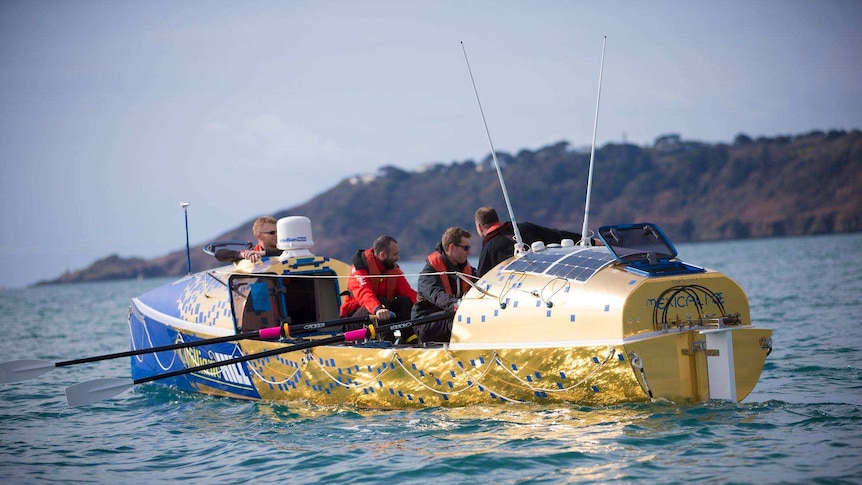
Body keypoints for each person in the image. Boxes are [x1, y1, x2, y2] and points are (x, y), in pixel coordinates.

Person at [339, 235, 418, 343]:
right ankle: (387, 343)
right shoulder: (360, 268)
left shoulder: (392, 269)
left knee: (404, 302)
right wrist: (377, 309)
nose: (398, 258)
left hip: (383, 314)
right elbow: (365, 294)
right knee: (382, 302)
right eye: (395, 254)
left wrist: (425, 304)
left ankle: (412, 340)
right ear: (382, 255)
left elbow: (408, 292)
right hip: (355, 320)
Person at [474, 206, 586, 276]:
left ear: (479, 227)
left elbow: (481, 280)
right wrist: (587, 240)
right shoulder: (525, 227)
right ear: (497, 219)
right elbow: (557, 235)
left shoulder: (489, 247)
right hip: (549, 275)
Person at [411, 227, 474, 345]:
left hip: (448, 316)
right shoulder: (429, 274)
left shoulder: (466, 269)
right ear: (452, 248)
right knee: (458, 320)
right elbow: (438, 296)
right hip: (425, 322)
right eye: (466, 248)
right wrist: (458, 305)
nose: (469, 252)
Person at [215, 216, 281, 263]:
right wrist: (242, 255)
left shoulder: (287, 247)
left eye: (278, 231)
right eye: (272, 233)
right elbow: (219, 254)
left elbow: (285, 252)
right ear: (259, 237)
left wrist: (262, 253)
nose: (277, 235)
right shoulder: (252, 253)